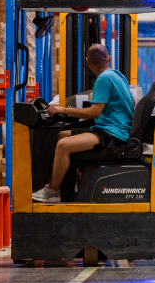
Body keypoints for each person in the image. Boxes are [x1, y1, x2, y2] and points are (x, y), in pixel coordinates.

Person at [32, 44, 135, 203]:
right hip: (112, 129)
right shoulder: (117, 75)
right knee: (60, 135)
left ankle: (53, 192)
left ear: (87, 62)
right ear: (109, 58)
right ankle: (54, 185)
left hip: (113, 136)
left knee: (63, 145)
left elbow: (94, 112)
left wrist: (63, 110)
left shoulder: (103, 79)